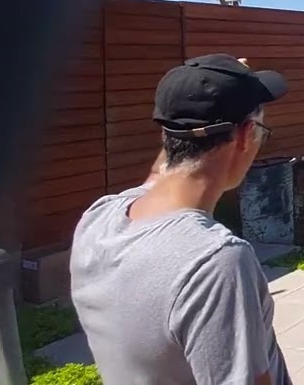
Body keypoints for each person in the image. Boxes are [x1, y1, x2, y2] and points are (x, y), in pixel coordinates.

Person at [70, 54, 292, 385]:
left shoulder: (100, 216)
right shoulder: (215, 262)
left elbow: (160, 171)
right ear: (246, 136)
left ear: (167, 134)